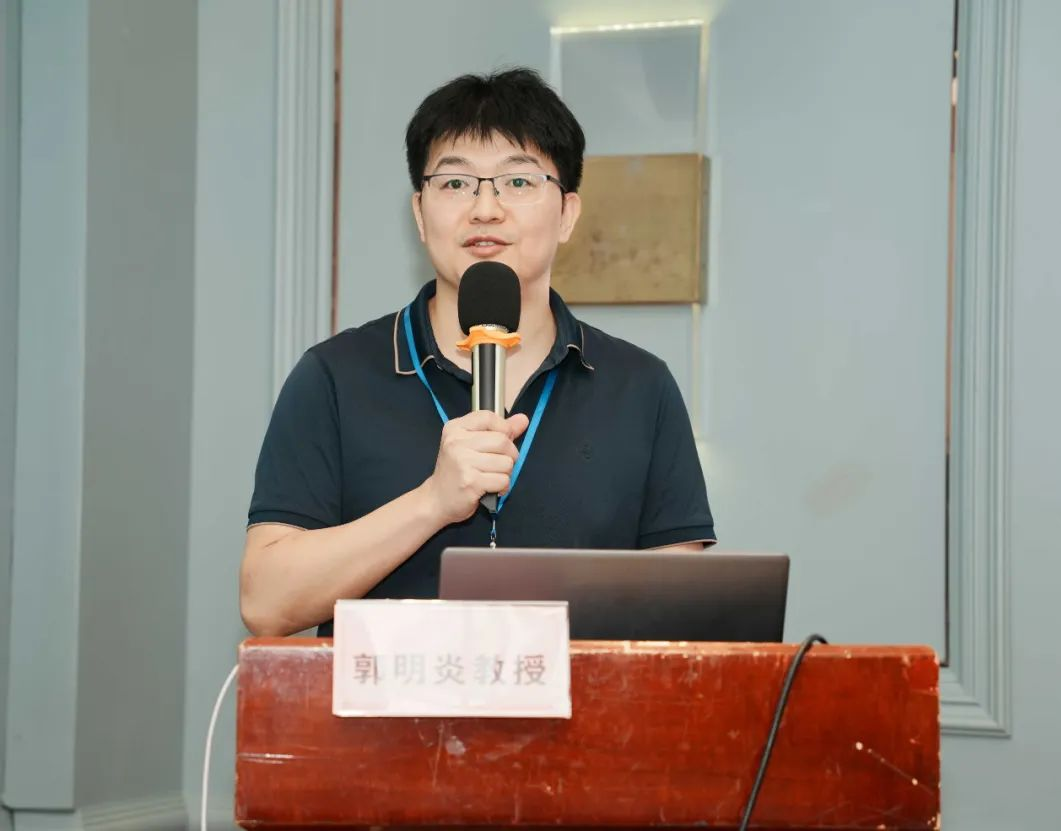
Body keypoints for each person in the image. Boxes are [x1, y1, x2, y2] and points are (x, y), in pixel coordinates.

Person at [241, 68, 715, 637]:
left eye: (518, 181)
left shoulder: (640, 387)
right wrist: (432, 502)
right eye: (455, 183)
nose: (485, 209)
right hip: (392, 698)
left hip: (578, 698)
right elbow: (266, 603)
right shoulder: (335, 377)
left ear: (567, 214)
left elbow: (683, 626)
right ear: (420, 213)